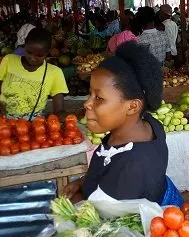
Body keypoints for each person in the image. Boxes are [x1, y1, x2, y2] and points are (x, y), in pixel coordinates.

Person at [62, 42, 181, 205]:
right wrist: (82, 182)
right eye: (90, 94)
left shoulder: (130, 168)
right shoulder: (147, 124)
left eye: (99, 98)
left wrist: (72, 201)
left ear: (132, 106)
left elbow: (97, 215)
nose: (87, 104)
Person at [0, 28, 68, 119]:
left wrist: (66, 118)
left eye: (39, 55)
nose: (32, 58)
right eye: (29, 52)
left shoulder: (55, 73)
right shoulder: (8, 60)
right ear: (24, 46)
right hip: (3, 123)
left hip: (35, 126)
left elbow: (59, 110)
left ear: (47, 53)